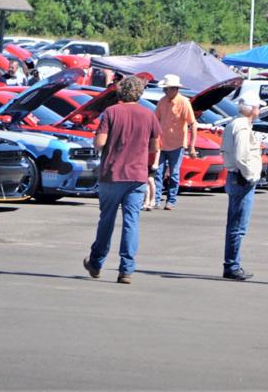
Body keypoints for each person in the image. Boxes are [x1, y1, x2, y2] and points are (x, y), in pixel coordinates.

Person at [84, 76, 161, 284]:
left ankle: (96, 262)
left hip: (112, 173)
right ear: (139, 93)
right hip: (137, 175)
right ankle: (126, 269)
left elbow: (100, 143)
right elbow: (155, 146)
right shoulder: (148, 114)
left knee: (106, 220)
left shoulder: (111, 112)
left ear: (120, 92)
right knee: (131, 222)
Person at [220, 91, 264, 281]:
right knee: (238, 226)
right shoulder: (242, 126)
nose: (259, 109)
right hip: (241, 178)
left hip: (236, 177)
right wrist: (250, 175)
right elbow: (241, 156)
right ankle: (232, 266)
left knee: (235, 224)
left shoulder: (235, 123)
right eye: (258, 106)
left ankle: (232, 264)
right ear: (252, 109)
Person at [153, 74, 197, 210]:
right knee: (158, 172)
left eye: (166, 89)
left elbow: (193, 123)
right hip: (161, 143)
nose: (165, 91)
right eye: (164, 89)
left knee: (174, 174)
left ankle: (171, 200)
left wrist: (191, 146)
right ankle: (156, 199)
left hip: (177, 144)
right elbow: (155, 120)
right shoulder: (162, 101)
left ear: (175, 89)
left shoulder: (184, 102)